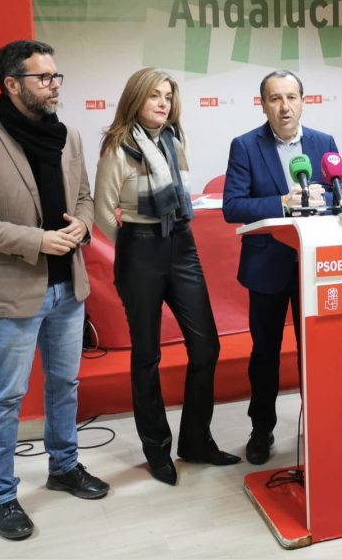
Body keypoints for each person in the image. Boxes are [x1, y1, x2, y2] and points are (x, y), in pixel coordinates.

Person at [0, 39, 109, 541]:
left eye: (57, 77)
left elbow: (84, 197)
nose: (54, 85)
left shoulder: (70, 137)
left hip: (68, 288)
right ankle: (3, 495)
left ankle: (64, 467)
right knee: (7, 397)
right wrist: (37, 240)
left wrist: (82, 227)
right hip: (13, 291)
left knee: (65, 387)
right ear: (12, 84)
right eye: (43, 78)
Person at [94, 67, 240, 486]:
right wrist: (134, 240)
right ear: (135, 99)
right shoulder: (118, 149)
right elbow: (105, 212)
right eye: (154, 95)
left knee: (206, 346)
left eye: (168, 95)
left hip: (181, 242)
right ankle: (157, 450)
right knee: (147, 356)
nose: (163, 102)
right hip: (140, 249)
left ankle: (195, 439)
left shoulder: (176, 140)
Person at [223, 69, 342, 465]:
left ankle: (321, 423)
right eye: (275, 98)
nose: (284, 106)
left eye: (291, 97)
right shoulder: (245, 145)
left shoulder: (323, 142)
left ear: (303, 100)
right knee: (265, 353)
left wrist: (328, 195)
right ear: (263, 104)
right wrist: (283, 202)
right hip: (267, 267)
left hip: (315, 264)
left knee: (315, 350)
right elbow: (233, 205)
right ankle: (261, 430)